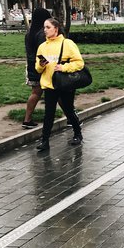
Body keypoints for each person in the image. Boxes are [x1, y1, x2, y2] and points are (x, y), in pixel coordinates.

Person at [35, 18, 84, 151]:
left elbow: (79, 63)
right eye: (44, 27)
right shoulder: (42, 46)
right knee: (48, 113)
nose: (45, 30)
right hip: (49, 84)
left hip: (65, 84)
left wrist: (63, 68)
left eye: (48, 27)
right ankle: (44, 141)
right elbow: (38, 68)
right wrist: (41, 65)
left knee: (68, 109)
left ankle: (77, 133)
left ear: (55, 29)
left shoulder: (67, 43)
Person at [23, 7, 52, 129]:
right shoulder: (41, 34)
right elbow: (42, 52)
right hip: (41, 67)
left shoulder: (29, 33)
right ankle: (71, 117)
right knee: (58, 91)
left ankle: (27, 119)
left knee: (35, 92)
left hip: (31, 66)